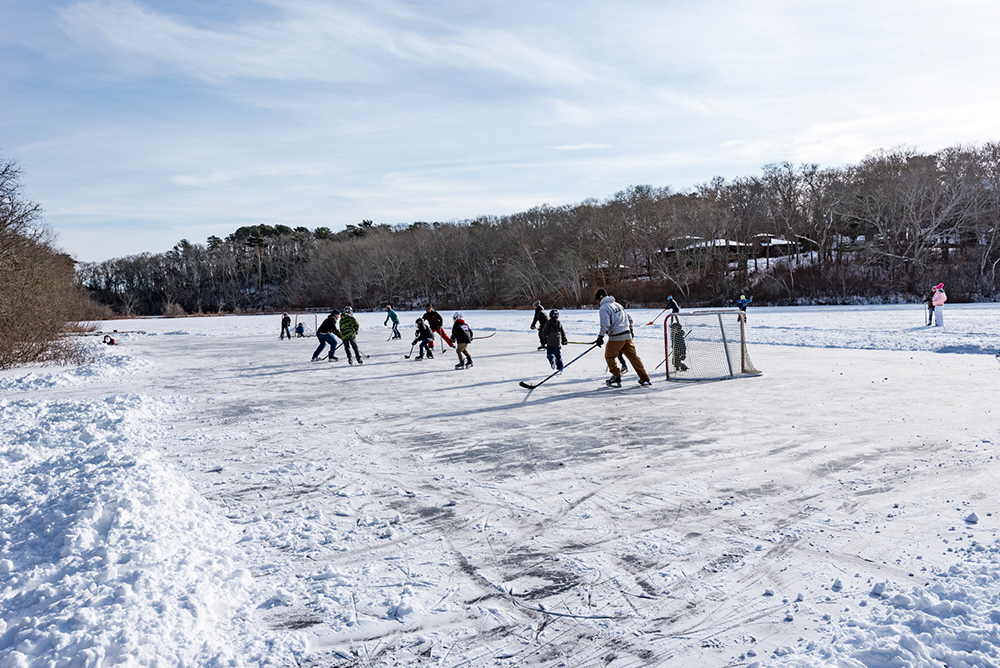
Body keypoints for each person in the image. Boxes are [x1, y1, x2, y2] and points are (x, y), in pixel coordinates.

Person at [594, 289, 651, 388]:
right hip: (627, 336)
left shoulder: (604, 307)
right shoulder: (617, 304)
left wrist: (600, 337)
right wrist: (630, 330)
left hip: (616, 337)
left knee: (609, 356)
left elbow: (605, 324)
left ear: (599, 300)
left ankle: (616, 375)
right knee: (634, 357)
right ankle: (644, 377)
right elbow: (630, 319)